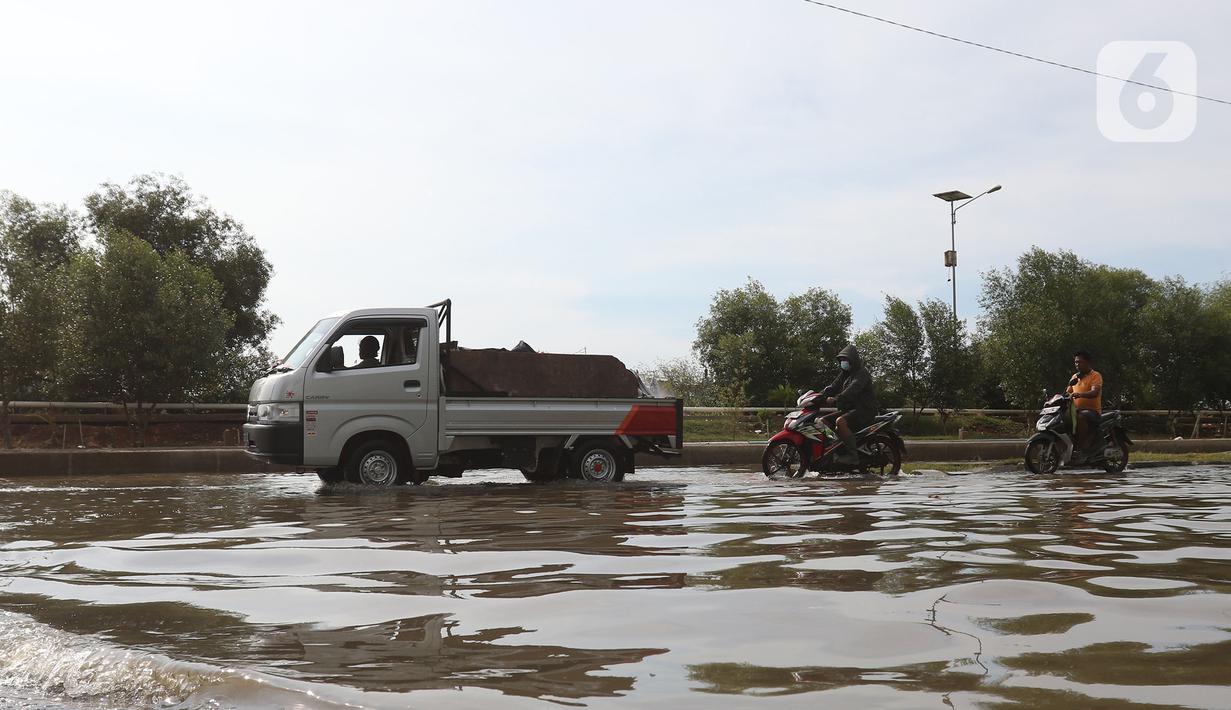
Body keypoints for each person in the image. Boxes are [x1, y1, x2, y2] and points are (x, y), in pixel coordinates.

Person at [820, 344, 878, 465]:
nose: (843, 362)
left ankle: (853, 456)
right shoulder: (844, 374)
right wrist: (817, 396)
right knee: (822, 421)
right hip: (850, 410)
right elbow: (832, 387)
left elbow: (853, 389)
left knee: (840, 421)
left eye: (845, 360)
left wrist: (837, 398)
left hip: (864, 410)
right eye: (841, 360)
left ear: (853, 360)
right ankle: (835, 450)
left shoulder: (862, 373)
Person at [1066, 350, 1103, 454]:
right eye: (1075, 362)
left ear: (1087, 362)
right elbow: (1067, 392)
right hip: (1075, 410)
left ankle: (1081, 446)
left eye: (1080, 362)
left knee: (1081, 417)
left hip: (1092, 411)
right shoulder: (1075, 377)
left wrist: (1080, 395)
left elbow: (1094, 392)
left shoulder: (1095, 376)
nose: (1077, 364)